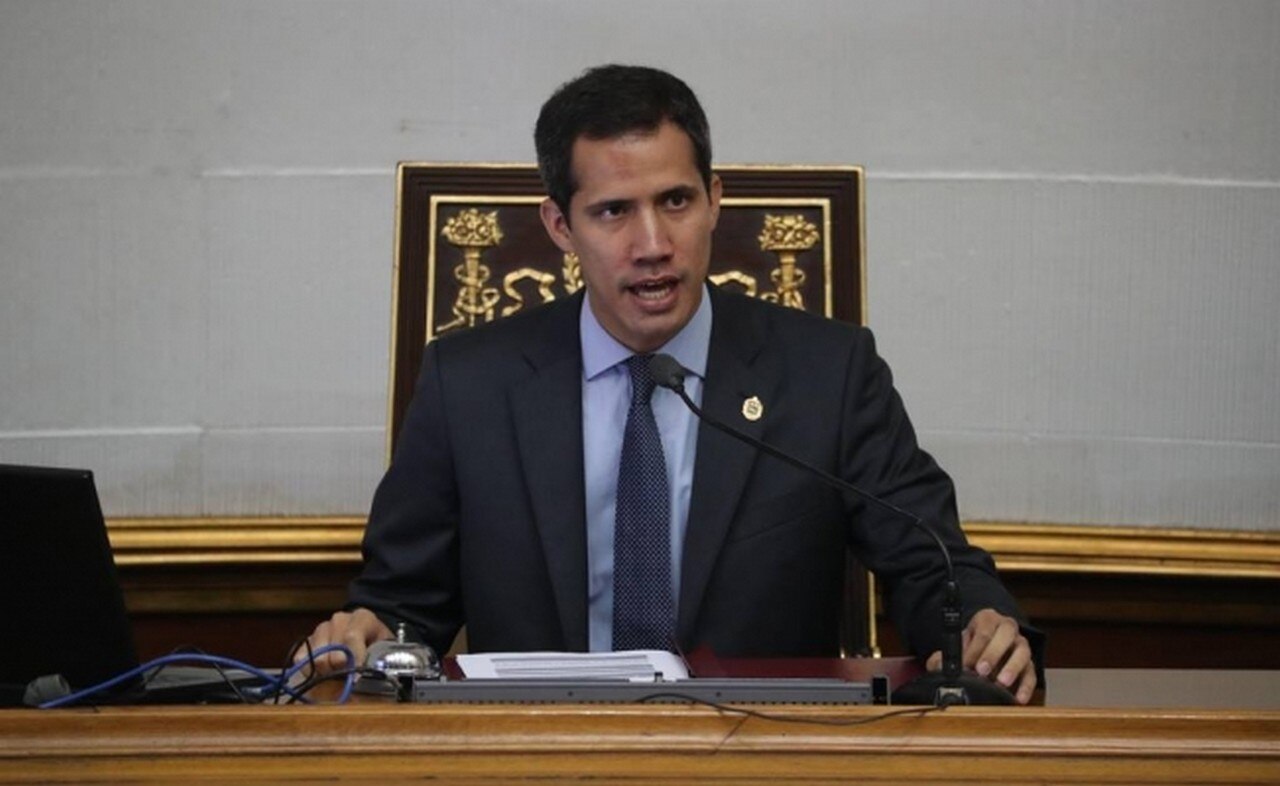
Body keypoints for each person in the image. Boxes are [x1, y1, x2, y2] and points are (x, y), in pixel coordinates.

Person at [305, 64, 1040, 703]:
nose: (653, 245)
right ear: (560, 226)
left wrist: (976, 622)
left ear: (716, 199)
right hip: (536, 750)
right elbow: (403, 608)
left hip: (762, 755)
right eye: (614, 211)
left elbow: (933, 565)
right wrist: (371, 634)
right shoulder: (470, 385)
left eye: (676, 202)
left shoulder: (828, 373)